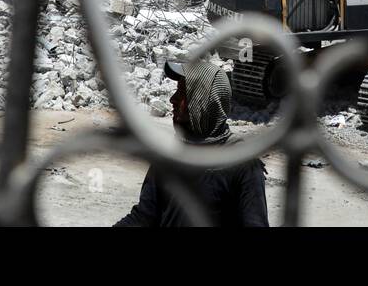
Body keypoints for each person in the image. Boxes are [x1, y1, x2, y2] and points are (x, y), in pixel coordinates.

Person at [114, 57, 269, 227]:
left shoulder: (241, 163)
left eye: (182, 94)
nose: (172, 99)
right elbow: (144, 217)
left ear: (201, 101)